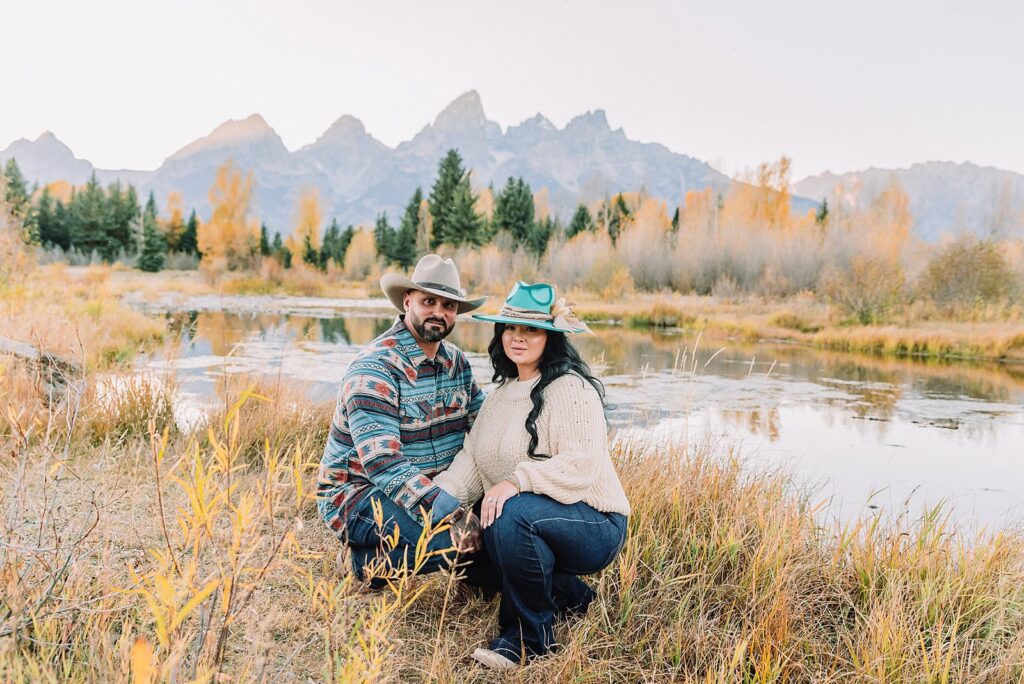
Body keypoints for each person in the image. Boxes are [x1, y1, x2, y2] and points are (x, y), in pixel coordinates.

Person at [433, 281, 631, 670]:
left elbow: (582, 463)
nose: (518, 337)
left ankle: (527, 641)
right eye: (511, 328)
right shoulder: (500, 396)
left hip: (594, 521)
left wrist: (516, 480)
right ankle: (571, 597)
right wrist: (435, 505)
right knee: (458, 551)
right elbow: (471, 462)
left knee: (510, 513)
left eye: (531, 329)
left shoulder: (570, 389)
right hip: (529, 518)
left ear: (551, 338)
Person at [316, 254, 494, 586]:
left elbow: (483, 425)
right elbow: (384, 464)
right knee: (460, 543)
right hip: (359, 494)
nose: (439, 312)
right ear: (408, 301)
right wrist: (451, 511)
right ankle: (360, 563)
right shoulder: (376, 368)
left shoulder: (458, 364)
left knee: (494, 535)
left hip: (432, 488)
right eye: (429, 301)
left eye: (449, 305)